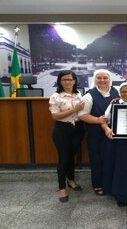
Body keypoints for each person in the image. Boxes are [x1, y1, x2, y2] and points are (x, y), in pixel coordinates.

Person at [78, 69, 120, 196]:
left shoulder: (117, 91)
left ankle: (112, 182)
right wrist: (98, 120)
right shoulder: (89, 95)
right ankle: (98, 184)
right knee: (97, 158)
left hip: (115, 131)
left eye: (105, 78)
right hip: (95, 132)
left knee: (113, 157)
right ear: (95, 79)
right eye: (99, 78)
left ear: (109, 79)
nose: (102, 80)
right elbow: (82, 115)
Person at [49, 71, 85, 203]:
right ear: (60, 81)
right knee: (63, 158)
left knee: (71, 157)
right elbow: (55, 116)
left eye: (70, 79)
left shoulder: (79, 94)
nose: (67, 82)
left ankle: (71, 180)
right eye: (64, 79)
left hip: (78, 129)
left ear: (75, 81)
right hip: (62, 130)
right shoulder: (56, 96)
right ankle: (61, 187)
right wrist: (74, 109)